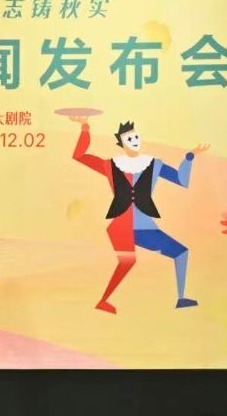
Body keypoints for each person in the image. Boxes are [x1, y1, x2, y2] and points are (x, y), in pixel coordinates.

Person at [70, 115, 209, 314]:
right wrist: (85, 127)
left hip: (146, 228)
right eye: (129, 138)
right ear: (122, 144)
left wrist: (189, 157)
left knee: (180, 253)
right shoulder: (111, 165)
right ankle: (103, 301)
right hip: (121, 226)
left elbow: (181, 180)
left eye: (136, 137)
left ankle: (181, 298)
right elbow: (80, 156)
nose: (134, 141)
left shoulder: (154, 164)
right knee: (127, 262)